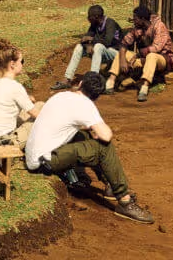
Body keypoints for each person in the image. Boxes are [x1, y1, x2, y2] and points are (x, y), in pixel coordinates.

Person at [25, 72, 155, 224]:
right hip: (45, 162)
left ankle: (110, 186)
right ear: (97, 96)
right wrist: (96, 130)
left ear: (80, 84)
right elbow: (106, 135)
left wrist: (90, 130)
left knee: (85, 135)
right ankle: (125, 202)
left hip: (35, 157)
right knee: (103, 147)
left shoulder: (61, 96)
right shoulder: (86, 105)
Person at [104, 5, 173, 103]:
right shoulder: (138, 28)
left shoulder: (159, 26)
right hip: (144, 59)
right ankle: (111, 81)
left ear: (142, 19)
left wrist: (137, 55)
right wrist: (122, 59)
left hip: (164, 60)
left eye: (135, 19)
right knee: (123, 53)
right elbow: (124, 43)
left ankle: (144, 87)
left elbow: (157, 48)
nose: (133, 21)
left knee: (151, 56)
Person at [0, 40, 42, 147]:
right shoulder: (15, 87)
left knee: (39, 105)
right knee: (40, 118)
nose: (22, 65)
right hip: (3, 141)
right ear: (12, 64)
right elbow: (37, 115)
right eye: (21, 61)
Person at [53, 5, 122, 91]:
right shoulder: (94, 24)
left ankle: (93, 81)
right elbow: (85, 38)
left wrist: (92, 39)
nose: (88, 18)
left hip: (117, 55)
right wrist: (87, 45)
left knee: (98, 46)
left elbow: (107, 41)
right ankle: (67, 79)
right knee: (79, 47)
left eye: (89, 16)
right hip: (101, 52)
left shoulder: (110, 23)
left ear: (96, 17)